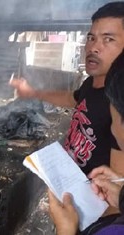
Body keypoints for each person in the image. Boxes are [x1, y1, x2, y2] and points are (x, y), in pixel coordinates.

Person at [10, 2, 124, 176]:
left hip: (92, 197)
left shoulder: (118, 102)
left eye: (108, 39)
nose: (93, 47)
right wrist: (33, 93)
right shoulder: (92, 83)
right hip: (72, 180)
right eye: (91, 38)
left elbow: (117, 185)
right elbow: (72, 98)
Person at [49, 48, 124, 235]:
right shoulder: (90, 84)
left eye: (116, 118)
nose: (114, 129)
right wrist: (121, 194)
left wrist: (66, 230)